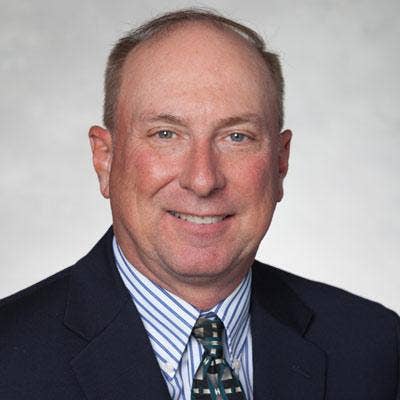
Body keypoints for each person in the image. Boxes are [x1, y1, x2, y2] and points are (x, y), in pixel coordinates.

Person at [0, 8, 398, 400]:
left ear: (280, 162)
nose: (203, 180)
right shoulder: (8, 358)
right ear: (105, 159)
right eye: (166, 134)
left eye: (237, 137)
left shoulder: (375, 348)